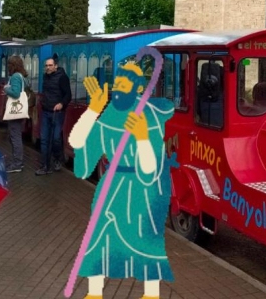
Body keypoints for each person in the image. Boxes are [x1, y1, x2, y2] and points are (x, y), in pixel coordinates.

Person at [68, 61, 175, 299]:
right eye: (116, 84)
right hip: (111, 187)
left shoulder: (149, 116)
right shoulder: (109, 113)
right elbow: (77, 142)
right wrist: (93, 111)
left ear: (137, 89)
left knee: (146, 241)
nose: (117, 90)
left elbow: (150, 167)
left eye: (123, 85)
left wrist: (142, 137)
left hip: (141, 191)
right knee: (98, 238)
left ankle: (150, 294)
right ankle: (94, 293)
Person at [37, 57, 71, 176]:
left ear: (56, 66)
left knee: (56, 138)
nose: (48, 67)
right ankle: (45, 166)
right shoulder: (45, 77)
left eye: (50, 65)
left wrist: (61, 104)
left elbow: (68, 94)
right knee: (44, 139)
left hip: (58, 112)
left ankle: (57, 158)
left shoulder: (62, 77)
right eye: (46, 65)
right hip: (46, 111)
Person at [3, 55, 29, 173]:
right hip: (19, 111)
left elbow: (16, 93)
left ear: (12, 65)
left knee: (15, 137)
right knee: (15, 135)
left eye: (9, 64)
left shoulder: (15, 77)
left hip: (15, 112)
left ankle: (17, 163)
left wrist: (6, 89)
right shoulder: (22, 77)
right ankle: (18, 162)